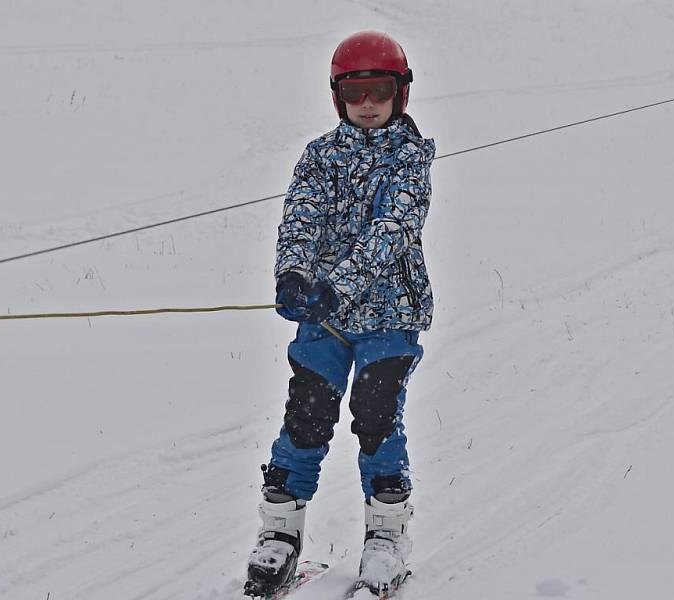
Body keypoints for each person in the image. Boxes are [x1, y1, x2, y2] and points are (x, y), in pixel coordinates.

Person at [244, 30, 435, 598]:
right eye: (356, 93)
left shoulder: (409, 159)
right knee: (306, 416)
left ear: (399, 93)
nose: (368, 104)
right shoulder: (320, 155)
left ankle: (386, 534)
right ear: (338, 98)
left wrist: (339, 286)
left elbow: (392, 233)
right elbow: (300, 217)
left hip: (389, 316)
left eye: (379, 90)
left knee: (375, 416)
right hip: (324, 322)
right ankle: (279, 530)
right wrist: (294, 274)